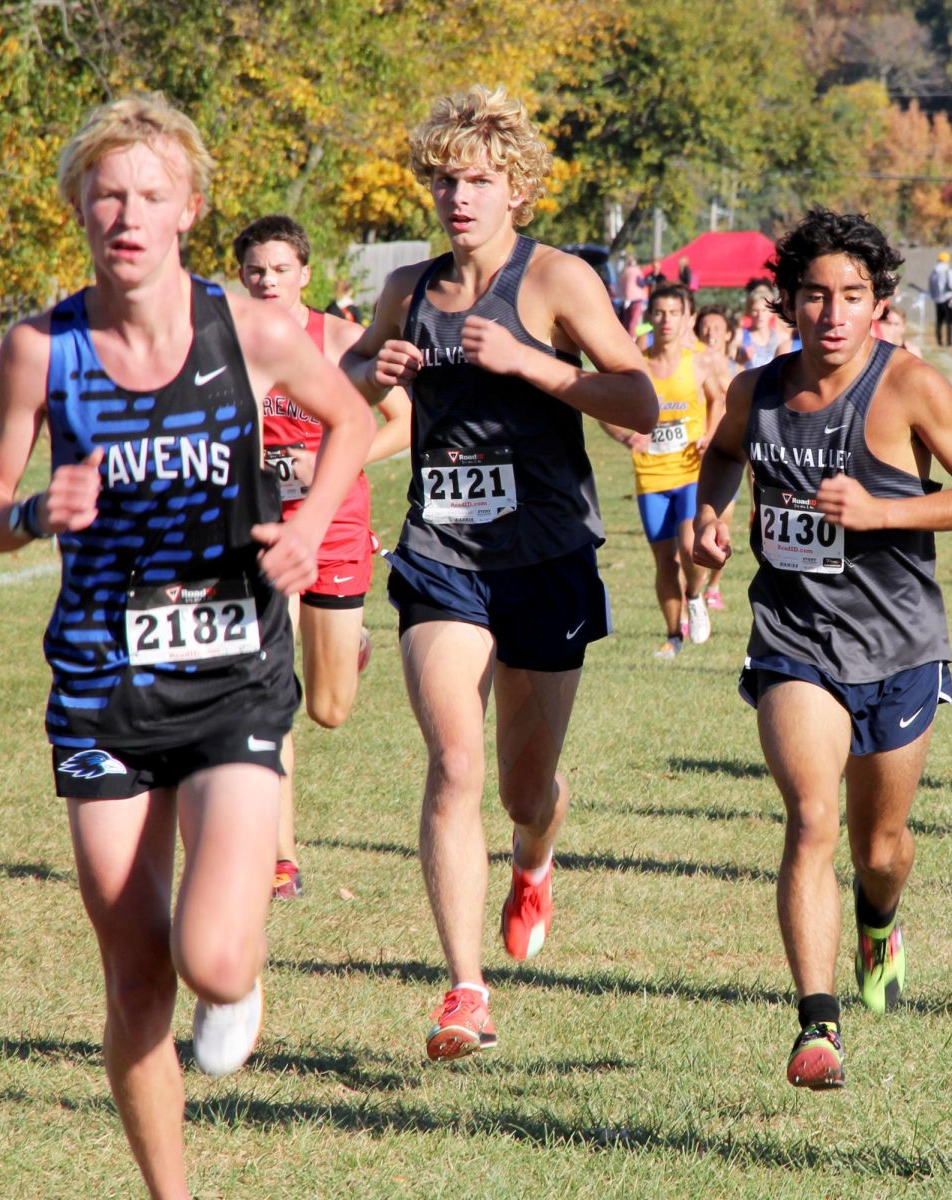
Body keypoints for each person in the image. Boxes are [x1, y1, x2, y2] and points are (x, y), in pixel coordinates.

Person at [0, 95, 374, 1199]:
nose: (125, 215)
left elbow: (355, 423)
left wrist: (310, 530)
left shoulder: (254, 329)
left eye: (148, 194)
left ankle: (239, 970)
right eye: (105, 195)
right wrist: (41, 510)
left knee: (212, 959)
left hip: (232, 675)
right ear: (79, 213)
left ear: (188, 208)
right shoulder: (42, 350)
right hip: (99, 686)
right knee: (136, 979)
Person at [341, 84, 656, 1061]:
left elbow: (638, 399)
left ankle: (534, 856)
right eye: (443, 179)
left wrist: (534, 366)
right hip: (441, 557)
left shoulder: (555, 279)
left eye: (476, 179)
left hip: (546, 559)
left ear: (516, 189)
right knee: (454, 763)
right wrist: (371, 374)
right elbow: (346, 376)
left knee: (524, 787)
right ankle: (463, 991)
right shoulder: (406, 287)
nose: (457, 197)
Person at [693, 208, 952, 1091]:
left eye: (852, 296)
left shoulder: (911, 388)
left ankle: (880, 918)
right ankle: (817, 1026)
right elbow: (719, 455)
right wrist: (712, 516)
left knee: (880, 846)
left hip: (900, 644)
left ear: (877, 305)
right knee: (811, 819)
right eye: (816, 296)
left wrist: (884, 511)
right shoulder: (756, 390)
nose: (833, 313)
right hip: (794, 638)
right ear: (787, 302)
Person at [233, 214, 411, 899]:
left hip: (334, 525)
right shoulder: (223, 345)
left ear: (305, 274)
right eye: (255, 271)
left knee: (329, 708)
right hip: (258, 530)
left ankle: (352, 641)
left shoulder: (339, 343)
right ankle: (281, 859)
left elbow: (402, 424)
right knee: (267, 692)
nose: (268, 280)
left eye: (280, 269)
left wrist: (329, 460)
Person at [602, 283, 724, 658]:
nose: (666, 320)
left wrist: (709, 432)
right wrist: (626, 437)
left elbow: (721, 399)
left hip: (690, 472)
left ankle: (696, 594)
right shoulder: (634, 362)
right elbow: (604, 404)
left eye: (674, 313)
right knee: (664, 561)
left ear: (687, 317)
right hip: (650, 476)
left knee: (690, 545)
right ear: (649, 318)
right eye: (659, 313)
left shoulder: (700, 361)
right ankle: (673, 636)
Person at [694, 304, 739, 610]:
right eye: (705, 328)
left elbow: (729, 403)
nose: (711, 334)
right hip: (693, 451)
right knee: (694, 525)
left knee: (724, 520)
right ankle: (694, 591)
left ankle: (714, 586)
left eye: (717, 329)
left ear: (729, 334)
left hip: (727, 449)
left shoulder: (737, 370)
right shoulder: (692, 364)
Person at [732, 284, 778, 368]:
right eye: (755, 310)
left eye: (764, 310)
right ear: (749, 312)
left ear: (772, 312)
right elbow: (728, 368)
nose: (760, 315)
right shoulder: (740, 336)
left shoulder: (779, 337)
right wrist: (741, 361)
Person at [927, 250, 952, 347]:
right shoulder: (948, 270)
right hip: (948, 298)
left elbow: (931, 285)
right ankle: (949, 341)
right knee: (949, 321)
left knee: (939, 321)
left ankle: (939, 341)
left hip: (937, 299)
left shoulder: (934, 271)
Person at [618, 252, 649, 337]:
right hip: (636, 298)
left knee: (627, 320)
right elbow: (640, 283)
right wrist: (647, 282)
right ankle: (632, 338)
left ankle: (624, 336)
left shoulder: (625, 271)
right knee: (634, 320)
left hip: (626, 298)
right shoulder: (636, 270)